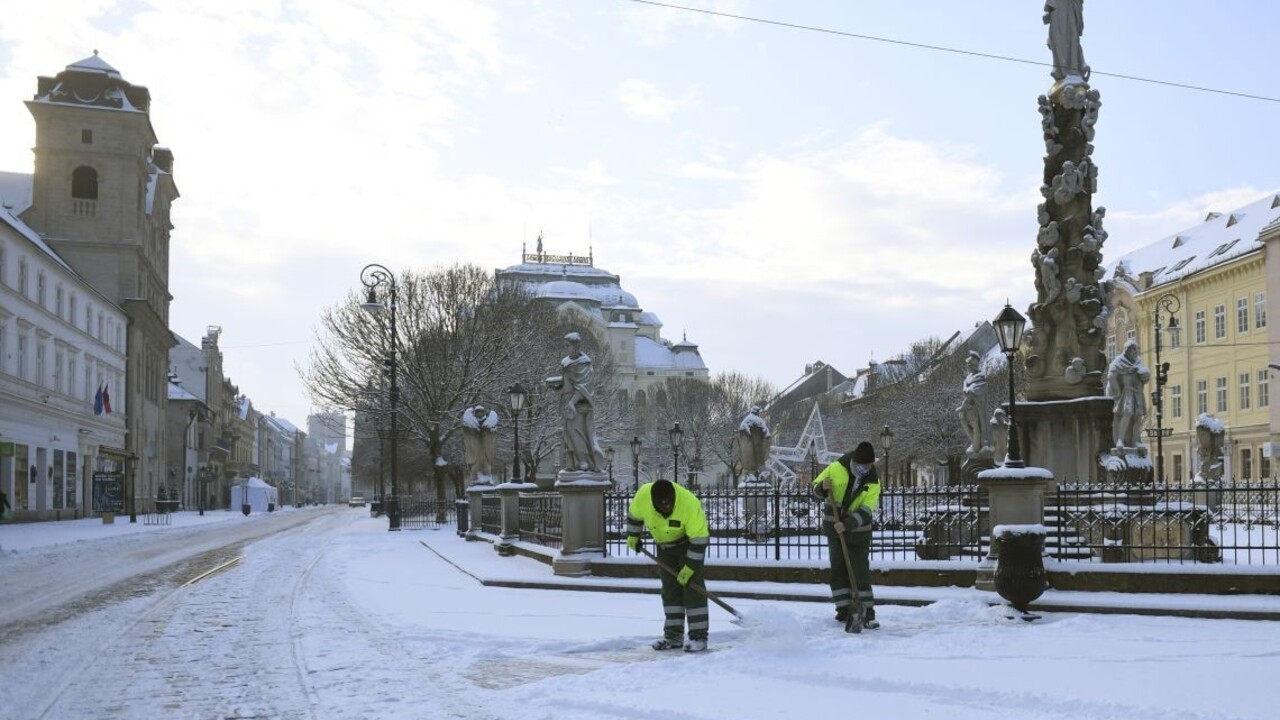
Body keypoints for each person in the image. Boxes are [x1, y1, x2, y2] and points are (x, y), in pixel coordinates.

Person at [626, 479, 712, 652]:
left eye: (669, 503)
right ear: (653, 500)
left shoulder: (688, 503)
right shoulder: (643, 495)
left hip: (688, 545)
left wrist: (689, 568)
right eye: (662, 504)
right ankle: (673, 636)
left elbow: (700, 539)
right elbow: (634, 516)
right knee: (670, 590)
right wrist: (633, 536)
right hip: (664, 547)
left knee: (693, 590)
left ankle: (699, 637)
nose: (666, 506)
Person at [812, 441, 882, 629]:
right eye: (862, 466)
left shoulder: (874, 482)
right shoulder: (835, 468)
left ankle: (867, 613)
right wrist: (823, 488)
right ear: (854, 460)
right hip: (833, 529)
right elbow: (815, 488)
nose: (865, 469)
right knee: (838, 571)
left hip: (858, 533)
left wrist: (848, 524)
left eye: (868, 466)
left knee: (860, 573)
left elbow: (867, 509)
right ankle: (843, 610)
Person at [555, 332, 606, 472]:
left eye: (568, 345)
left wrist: (573, 401)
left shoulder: (584, 363)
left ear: (576, 346)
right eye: (565, 345)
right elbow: (567, 382)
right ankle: (572, 462)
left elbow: (585, 387)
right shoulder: (566, 362)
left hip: (579, 405)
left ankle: (584, 460)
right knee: (567, 433)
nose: (567, 348)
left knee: (576, 431)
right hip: (567, 402)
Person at [1107, 340, 1151, 449]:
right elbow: (1111, 376)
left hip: (1138, 393)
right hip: (1127, 392)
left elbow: (1145, 376)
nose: (1135, 352)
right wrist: (1117, 391)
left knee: (1138, 416)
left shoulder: (1137, 362)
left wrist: (1143, 374)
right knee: (1127, 414)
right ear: (1127, 350)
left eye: (1136, 349)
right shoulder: (1119, 361)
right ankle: (1120, 439)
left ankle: (1136, 440)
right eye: (1133, 349)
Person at [957, 351, 991, 457]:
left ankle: (978, 445)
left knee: (976, 426)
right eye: (967, 365)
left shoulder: (980, 377)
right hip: (967, 407)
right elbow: (966, 390)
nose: (968, 367)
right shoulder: (967, 379)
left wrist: (967, 390)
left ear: (973, 365)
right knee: (963, 421)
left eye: (969, 365)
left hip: (976, 408)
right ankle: (974, 443)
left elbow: (974, 391)